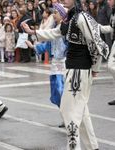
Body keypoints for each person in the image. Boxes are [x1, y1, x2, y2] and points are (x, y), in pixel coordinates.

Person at [22, 0, 109, 149]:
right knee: (80, 113)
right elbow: (56, 32)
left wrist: (95, 68)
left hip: (79, 71)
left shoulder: (82, 17)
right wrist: (33, 32)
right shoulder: (71, 18)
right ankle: (92, 147)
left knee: (70, 112)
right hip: (74, 69)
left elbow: (97, 44)